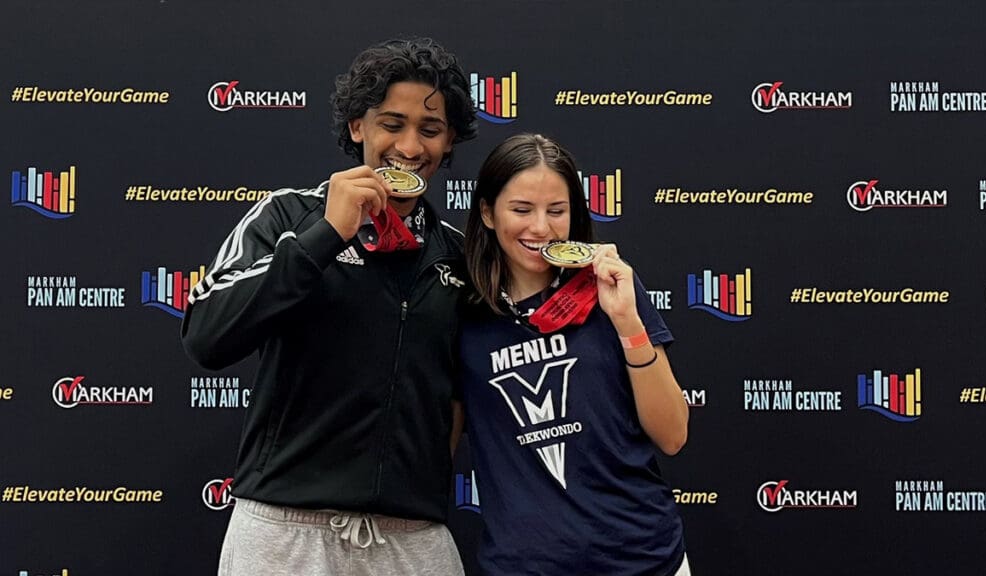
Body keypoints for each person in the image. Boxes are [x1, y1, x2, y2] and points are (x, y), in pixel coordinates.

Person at [181, 37, 478, 576]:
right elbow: (206, 336)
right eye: (392, 123)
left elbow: (468, 393)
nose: (410, 147)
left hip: (413, 540)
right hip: (282, 532)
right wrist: (326, 236)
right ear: (357, 126)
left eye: (430, 130)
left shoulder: (458, 254)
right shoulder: (289, 217)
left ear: (449, 141)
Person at [461, 134, 692, 575]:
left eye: (557, 211)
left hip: (644, 561)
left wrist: (627, 322)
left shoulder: (610, 286)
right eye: (522, 210)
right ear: (488, 213)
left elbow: (673, 435)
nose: (541, 228)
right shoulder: (462, 313)